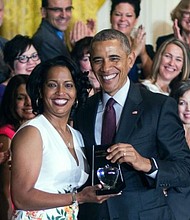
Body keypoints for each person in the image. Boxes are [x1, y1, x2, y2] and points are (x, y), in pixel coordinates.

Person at [74, 28, 190, 220]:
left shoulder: (158, 106)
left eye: (114, 58)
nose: (105, 68)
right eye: (98, 60)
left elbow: (185, 170)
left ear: (130, 60)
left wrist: (144, 163)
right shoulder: (84, 109)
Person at [10, 56, 113, 220]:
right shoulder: (33, 132)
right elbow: (21, 198)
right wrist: (78, 197)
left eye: (68, 85)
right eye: (52, 85)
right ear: (41, 91)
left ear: (76, 92)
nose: (60, 92)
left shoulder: (77, 135)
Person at [0, 74, 35, 220]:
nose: (28, 103)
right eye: (21, 98)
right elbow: (6, 190)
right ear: (11, 102)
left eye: (31, 96)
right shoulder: (7, 135)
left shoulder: (38, 130)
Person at [110, 0, 155, 82]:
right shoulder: (104, 48)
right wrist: (135, 51)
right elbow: (114, 79)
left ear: (136, 20)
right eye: (118, 14)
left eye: (129, 15)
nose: (123, 19)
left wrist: (143, 53)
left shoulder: (146, 49)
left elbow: (154, 79)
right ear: (111, 17)